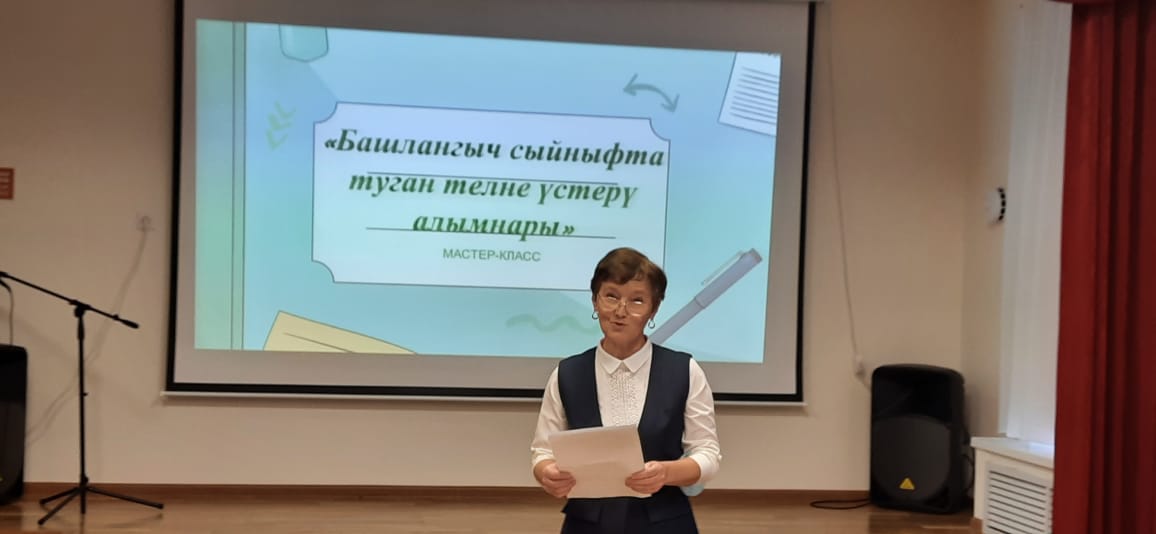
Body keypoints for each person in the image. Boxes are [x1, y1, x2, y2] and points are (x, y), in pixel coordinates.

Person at [530, 247, 721, 534]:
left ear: (653, 310)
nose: (620, 311)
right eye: (611, 296)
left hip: (665, 522)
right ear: (595, 301)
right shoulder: (567, 373)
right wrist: (547, 472)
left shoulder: (685, 370)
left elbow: (707, 453)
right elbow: (542, 451)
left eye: (637, 301)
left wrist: (666, 473)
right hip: (587, 524)